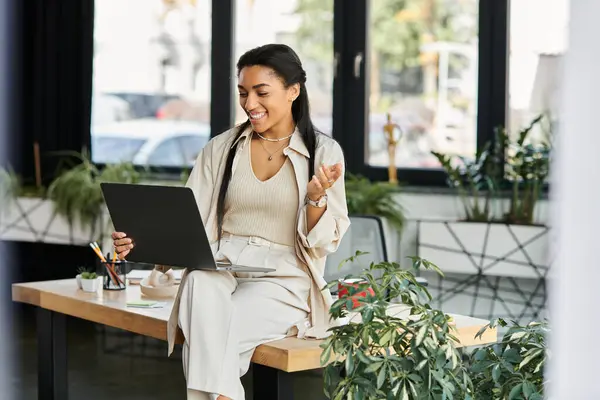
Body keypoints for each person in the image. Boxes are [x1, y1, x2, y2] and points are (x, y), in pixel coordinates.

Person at [111, 43, 350, 400]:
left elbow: (322, 242)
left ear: (293, 91)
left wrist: (316, 197)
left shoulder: (323, 152)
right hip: (222, 263)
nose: (250, 104)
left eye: (261, 92)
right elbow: (188, 220)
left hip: (284, 279)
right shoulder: (221, 149)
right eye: (243, 93)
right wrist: (141, 240)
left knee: (207, 335)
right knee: (198, 287)